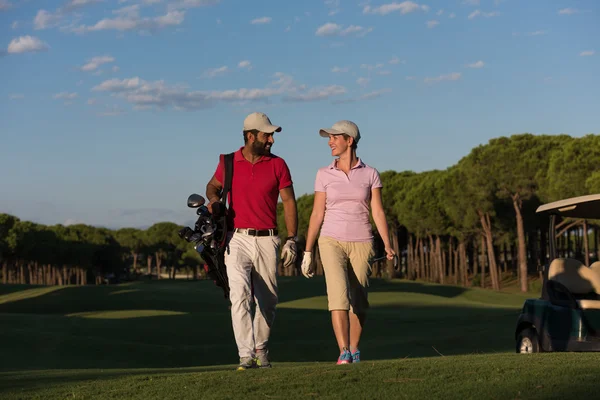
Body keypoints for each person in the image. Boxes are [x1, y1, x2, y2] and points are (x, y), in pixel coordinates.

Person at [205, 112, 298, 370]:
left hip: (268, 239)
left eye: (271, 135)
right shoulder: (228, 162)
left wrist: (292, 239)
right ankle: (246, 355)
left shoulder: (278, 164)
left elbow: (289, 201)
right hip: (237, 238)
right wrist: (214, 201)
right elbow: (212, 186)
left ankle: (261, 349)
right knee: (240, 296)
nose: (271, 140)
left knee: (268, 301)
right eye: (266, 135)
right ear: (250, 136)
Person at [300, 120, 395, 365]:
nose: (330, 142)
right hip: (330, 240)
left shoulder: (370, 173)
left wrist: (387, 243)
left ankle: (354, 349)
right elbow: (317, 213)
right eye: (329, 138)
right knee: (337, 296)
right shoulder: (323, 173)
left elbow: (378, 211)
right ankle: (343, 351)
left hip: (362, 240)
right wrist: (308, 250)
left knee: (359, 299)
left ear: (349, 140)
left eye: (334, 137)